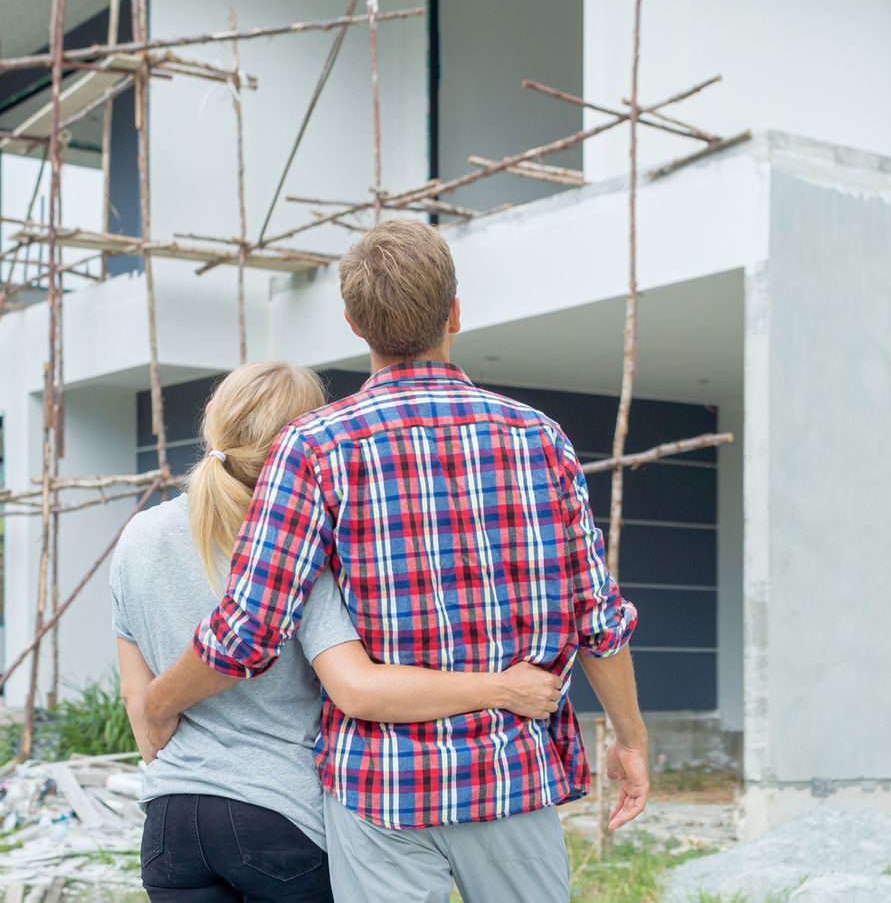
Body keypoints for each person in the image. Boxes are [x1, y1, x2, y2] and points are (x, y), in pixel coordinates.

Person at [135, 219, 650, 902]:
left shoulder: (314, 448)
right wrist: (630, 739)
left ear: (353, 323)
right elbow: (598, 619)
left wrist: (158, 702)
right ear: (455, 314)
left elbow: (248, 632)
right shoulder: (540, 439)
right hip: (512, 774)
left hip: (381, 792)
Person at [111, 358, 566, 902]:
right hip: (282, 819)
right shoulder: (294, 547)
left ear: (212, 415)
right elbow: (357, 689)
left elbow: (140, 705)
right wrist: (502, 687)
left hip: (170, 826)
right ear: (305, 440)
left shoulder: (138, 536)